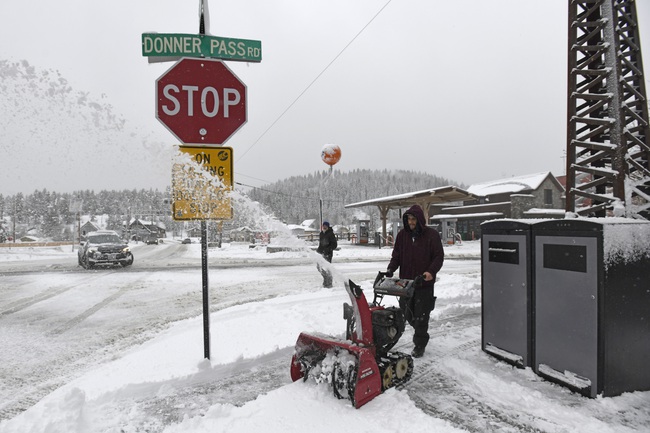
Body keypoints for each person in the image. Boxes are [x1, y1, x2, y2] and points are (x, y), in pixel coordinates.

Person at [386, 205, 444, 358]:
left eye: (413, 219)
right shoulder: (402, 236)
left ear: (419, 220)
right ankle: (418, 329)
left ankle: (420, 344)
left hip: (423, 283)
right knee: (407, 313)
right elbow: (396, 255)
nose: (411, 222)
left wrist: (430, 272)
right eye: (408, 219)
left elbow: (439, 256)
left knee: (421, 316)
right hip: (406, 284)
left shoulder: (431, 235)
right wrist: (390, 269)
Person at [316, 221, 337, 288]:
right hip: (321, 254)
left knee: (328, 268)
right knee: (319, 267)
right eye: (323, 226)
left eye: (325, 226)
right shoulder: (321, 233)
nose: (324, 227)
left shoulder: (331, 234)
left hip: (328, 254)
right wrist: (318, 250)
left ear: (328, 226)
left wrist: (328, 249)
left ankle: (329, 283)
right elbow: (321, 244)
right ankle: (326, 280)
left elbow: (334, 245)